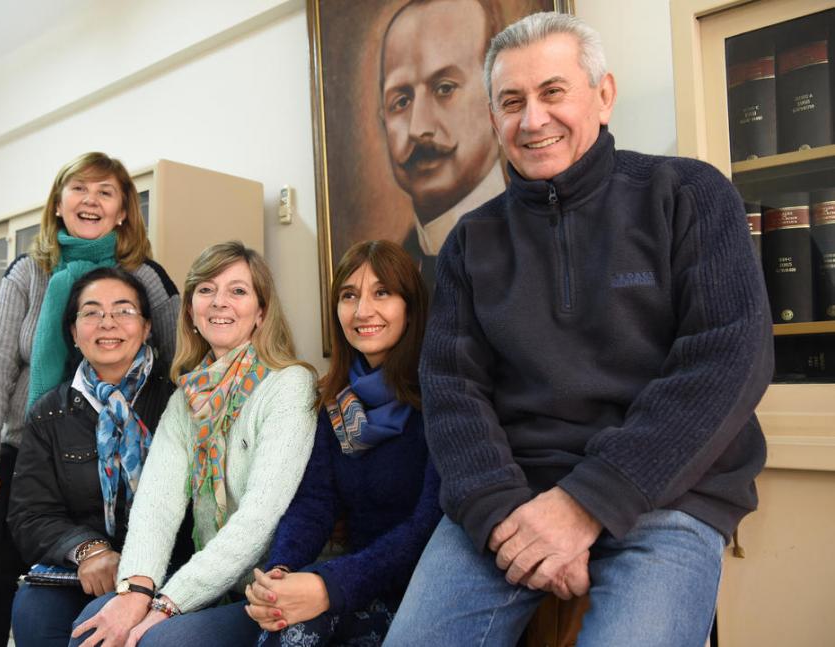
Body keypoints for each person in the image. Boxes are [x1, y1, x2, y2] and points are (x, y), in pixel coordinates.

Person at [383, 11, 774, 647]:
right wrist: (505, 513)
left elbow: (729, 360)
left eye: (553, 92)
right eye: (511, 101)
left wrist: (585, 504)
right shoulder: (468, 243)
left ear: (604, 94)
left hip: (665, 498)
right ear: (493, 116)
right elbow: (454, 393)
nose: (532, 119)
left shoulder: (689, 194)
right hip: (512, 500)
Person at [0, 152, 181, 647]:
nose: (91, 200)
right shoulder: (28, 272)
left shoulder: (146, 278)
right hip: (26, 455)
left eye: (106, 192)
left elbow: (179, 364)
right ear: (59, 204)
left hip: (116, 457)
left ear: (124, 210)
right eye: (79, 188)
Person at [68, 241, 317, 647]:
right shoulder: (187, 397)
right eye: (206, 290)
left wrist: (167, 603)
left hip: (268, 588)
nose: (220, 302)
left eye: (238, 291)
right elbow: (156, 504)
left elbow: (259, 519)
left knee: (160, 641)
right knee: (95, 625)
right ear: (190, 311)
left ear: (262, 312)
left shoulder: (289, 385)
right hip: (212, 584)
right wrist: (135, 591)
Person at [243, 240, 441, 646]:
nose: (362, 311)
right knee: (283, 622)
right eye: (349, 296)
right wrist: (282, 571)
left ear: (411, 305)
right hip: (354, 582)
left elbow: (428, 527)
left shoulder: (442, 395)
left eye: (382, 293)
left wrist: (327, 585)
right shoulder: (334, 399)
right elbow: (315, 503)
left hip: (422, 593)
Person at [7, 267, 193, 647]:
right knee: (33, 610)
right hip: (82, 567)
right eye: (91, 312)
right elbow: (30, 514)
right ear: (74, 333)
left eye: (124, 311)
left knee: (97, 629)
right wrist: (89, 551)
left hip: (166, 568)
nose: (107, 323)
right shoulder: (49, 413)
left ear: (146, 328)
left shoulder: (180, 401)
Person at [379, 0, 507, 285]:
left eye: (444, 88)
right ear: (382, 121)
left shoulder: (536, 238)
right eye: (401, 101)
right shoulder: (396, 269)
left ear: (494, 98)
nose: (418, 128)